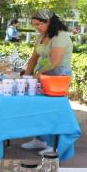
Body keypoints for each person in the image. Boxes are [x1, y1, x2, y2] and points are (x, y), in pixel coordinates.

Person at [20, 10, 74, 151]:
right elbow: (33, 58)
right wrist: (26, 75)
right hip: (43, 76)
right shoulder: (42, 36)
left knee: (51, 111)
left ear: (48, 22)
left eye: (39, 24)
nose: (36, 27)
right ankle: (39, 139)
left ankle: (52, 145)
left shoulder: (60, 36)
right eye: (34, 25)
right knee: (37, 108)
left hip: (58, 78)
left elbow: (55, 62)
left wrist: (37, 75)